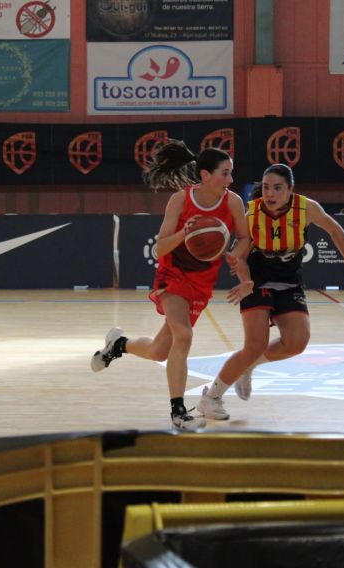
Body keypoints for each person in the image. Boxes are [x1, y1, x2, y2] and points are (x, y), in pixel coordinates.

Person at [91, 140, 253, 430]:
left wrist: (235, 255)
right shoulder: (181, 200)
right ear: (205, 175)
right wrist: (184, 234)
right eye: (225, 173)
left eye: (231, 173)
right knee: (184, 335)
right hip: (173, 275)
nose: (230, 179)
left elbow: (244, 238)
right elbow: (160, 249)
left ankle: (119, 345)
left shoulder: (233, 202)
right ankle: (179, 412)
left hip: (202, 283)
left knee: (159, 351)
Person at [198, 163, 344, 418]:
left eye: (277, 188)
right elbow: (241, 255)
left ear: (290, 189)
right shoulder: (252, 213)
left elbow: (335, 230)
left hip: (289, 282)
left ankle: (248, 366)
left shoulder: (307, 208)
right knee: (254, 345)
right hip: (257, 282)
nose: (270, 194)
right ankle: (211, 397)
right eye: (267, 187)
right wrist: (245, 280)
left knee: (297, 343)